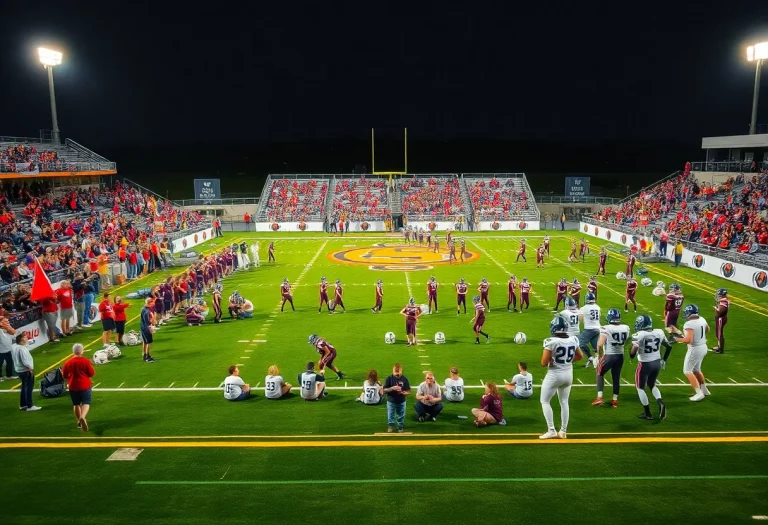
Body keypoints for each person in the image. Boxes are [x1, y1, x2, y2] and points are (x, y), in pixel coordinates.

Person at [539, 315, 583, 439]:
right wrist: (566, 361)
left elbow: (543, 362)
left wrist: (554, 361)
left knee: (545, 401)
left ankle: (551, 429)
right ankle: (563, 431)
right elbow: (580, 356)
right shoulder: (573, 339)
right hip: (568, 374)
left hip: (555, 374)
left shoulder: (551, 341)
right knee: (564, 402)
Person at [631, 315, 671, 420]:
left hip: (644, 364)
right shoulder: (659, 332)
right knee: (652, 384)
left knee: (640, 388)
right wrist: (664, 360)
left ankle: (647, 413)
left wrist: (633, 351)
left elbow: (632, 354)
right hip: (657, 362)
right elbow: (669, 346)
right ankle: (660, 402)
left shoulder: (639, 335)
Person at [670, 305, 710, 402]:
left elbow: (688, 340)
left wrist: (676, 339)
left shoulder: (689, 324)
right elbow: (708, 329)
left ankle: (699, 393)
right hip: (703, 346)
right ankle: (704, 390)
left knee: (687, 371)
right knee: (696, 370)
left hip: (695, 349)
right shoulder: (702, 319)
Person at [592, 309, 630, 407]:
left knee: (599, 372)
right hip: (620, 355)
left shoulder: (606, 328)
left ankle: (599, 397)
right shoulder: (626, 327)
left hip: (609, 355)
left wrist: (598, 357)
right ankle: (614, 400)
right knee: (616, 377)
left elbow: (600, 345)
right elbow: (628, 340)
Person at [62, 343, 95, 431]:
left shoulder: (68, 362)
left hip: (73, 386)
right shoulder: (85, 361)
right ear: (81, 351)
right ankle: (82, 417)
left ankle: (79, 422)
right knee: (86, 402)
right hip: (84, 385)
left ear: (73, 351)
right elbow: (91, 373)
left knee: (76, 404)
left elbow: (64, 375)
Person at [11, 333, 40, 411]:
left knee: (24, 387)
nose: (27, 338)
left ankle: (23, 404)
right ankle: (30, 406)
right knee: (28, 388)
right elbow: (24, 360)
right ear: (20, 340)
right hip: (26, 370)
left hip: (19, 370)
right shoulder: (22, 349)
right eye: (25, 337)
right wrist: (30, 368)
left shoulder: (14, 346)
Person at [384, 363, 410, 432]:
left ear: (401, 371)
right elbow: (384, 390)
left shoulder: (405, 379)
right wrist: (392, 388)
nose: (396, 374)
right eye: (395, 372)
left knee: (401, 415)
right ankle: (390, 426)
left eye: (398, 372)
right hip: (391, 401)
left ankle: (400, 426)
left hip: (401, 401)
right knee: (390, 415)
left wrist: (403, 393)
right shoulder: (389, 378)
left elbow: (408, 391)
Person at [579, 293, 601, 368]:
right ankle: (597, 362)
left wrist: (585, 322)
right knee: (596, 348)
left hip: (589, 329)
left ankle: (590, 358)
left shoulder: (583, 308)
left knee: (581, 343)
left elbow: (581, 318)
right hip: (598, 328)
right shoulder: (598, 307)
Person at [0, 314, 17, 382]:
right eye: (5, 322)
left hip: (8, 349)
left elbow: (14, 336)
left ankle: (9, 375)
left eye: (8, 322)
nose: (8, 323)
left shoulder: (9, 329)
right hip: (0, 351)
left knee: (10, 363)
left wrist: (8, 328)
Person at [712, 288, 729, 354]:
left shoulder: (724, 302)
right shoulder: (723, 300)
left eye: (719, 294)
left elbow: (721, 312)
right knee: (718, 333)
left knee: (719, 334)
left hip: (721, 318)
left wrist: (716, 309)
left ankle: (721, 349)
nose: (718, 295)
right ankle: (719, 346)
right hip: (721, 318)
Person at [140, 298, 156, 363]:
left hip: (143, 327)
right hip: (146, 328)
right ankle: (147, 357)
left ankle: (144, 355)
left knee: (145, 341)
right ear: (150, 303)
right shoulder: (147, 311)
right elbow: (148, 322)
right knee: (149, 342)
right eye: (152, 302)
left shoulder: (143, 308)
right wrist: (152, 327)